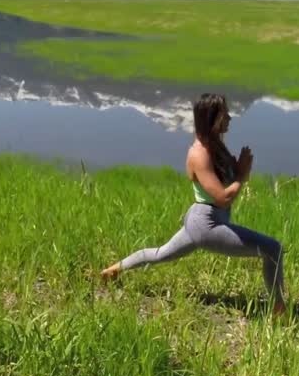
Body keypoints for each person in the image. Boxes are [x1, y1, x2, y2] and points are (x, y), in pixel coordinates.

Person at [100, 93, 286, 315]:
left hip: (203, 218)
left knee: (161, 254)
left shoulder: (216, 144)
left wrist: (237, 168)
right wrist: (242, 176)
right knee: (273, 249)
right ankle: (280, 309)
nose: (229, 117)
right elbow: (223, 197)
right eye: (224, 113)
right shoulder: (199, 155)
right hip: (207, 224)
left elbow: (222, 181)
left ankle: (114, 270)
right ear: (212, 118)